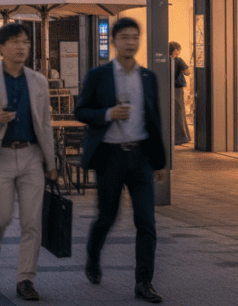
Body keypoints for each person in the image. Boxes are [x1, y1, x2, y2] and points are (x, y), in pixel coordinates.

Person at [76, 17, 166, 304]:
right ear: (113, 42)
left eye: (134, 37)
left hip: (140, 157)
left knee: (146, 221)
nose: (131, 42)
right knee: (107, 217)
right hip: (110, 157)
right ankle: (93, 256)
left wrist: (160, 162)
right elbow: (81, 111)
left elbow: (154, 120)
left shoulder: (149, 77)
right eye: (124, 37)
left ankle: (144, 282)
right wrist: (106, 114)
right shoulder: (98, 75)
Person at [0, 23, 57, 302]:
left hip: (31, 155)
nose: (21, 47)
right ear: (1, 47)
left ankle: (25, 279)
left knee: (32, 222)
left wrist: (52, 163)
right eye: (15, 42)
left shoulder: (39, 81)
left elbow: (45, 123)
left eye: (26, 43)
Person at [170, 42, 191, 145]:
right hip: (177, 89)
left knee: (171, 113)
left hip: (167, 88)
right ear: (175, 51)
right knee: (180, 112)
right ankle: (182, 137)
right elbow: (187, 72)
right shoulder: (178, 61)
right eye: (179, 50)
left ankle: (172, 136)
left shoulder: (165, 60)